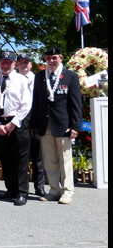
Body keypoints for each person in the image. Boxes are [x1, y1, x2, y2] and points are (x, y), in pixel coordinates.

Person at [30, 47, 82, 204]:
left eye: (54, 58)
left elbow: (75, 103)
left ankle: (67, 191)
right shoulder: (39, 76)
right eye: (48, 58)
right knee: (49, 159)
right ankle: (54, 189)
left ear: (61, 58)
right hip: (44, 124)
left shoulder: (71, 76)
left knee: (64, 159)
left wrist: (75, 126)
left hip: (63, 124)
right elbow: (37, 102)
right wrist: (34, 124)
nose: (51, 61)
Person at [0, 51, 31, 206]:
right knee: (6, 159)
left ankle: (22, 193)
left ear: (14, 64)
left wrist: (13, 123)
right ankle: (11, 189)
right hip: (1, 124)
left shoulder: (21, 80)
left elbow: (26, 104)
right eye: (3, 62)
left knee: (20, 159)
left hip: (17, 123)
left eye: (9, 62)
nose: (5, 65)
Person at [16, 53, 46, 197]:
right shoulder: (13, 80)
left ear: (31, 65)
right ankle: (20, 188)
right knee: (22, 154)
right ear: (16, 65)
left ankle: (39, 186)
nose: (24, 64)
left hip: (36, 118)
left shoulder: (38, 79)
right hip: (20, 119)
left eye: (26, 62)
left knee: (38, 154)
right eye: (21, 62)